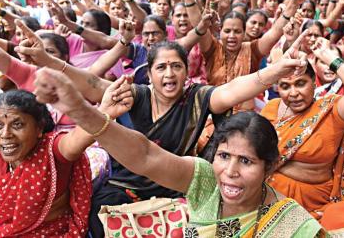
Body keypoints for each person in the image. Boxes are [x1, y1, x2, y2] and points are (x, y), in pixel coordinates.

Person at [31, 52, 324, 237]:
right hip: (125, 187)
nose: (230, 171)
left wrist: (273, 73)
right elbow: (146, 155)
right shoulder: (207, 181)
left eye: (246, 161)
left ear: (269, 167)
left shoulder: (289, 223)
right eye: (223, 156)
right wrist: (82, 111)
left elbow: (234, 90)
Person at [261, 36, 344, 218]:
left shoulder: (330, 111)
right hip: (266, 196)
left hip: (312, 205)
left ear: (313, 83)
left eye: (300, 83)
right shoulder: (272, 109)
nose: (293, 93)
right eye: (285, 86)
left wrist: (330, 58)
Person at [0, 90, 92, 236]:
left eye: (17, 124)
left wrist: (105, 108)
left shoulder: (53, 150)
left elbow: (79, 137)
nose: (5, 134)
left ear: (39, 127)